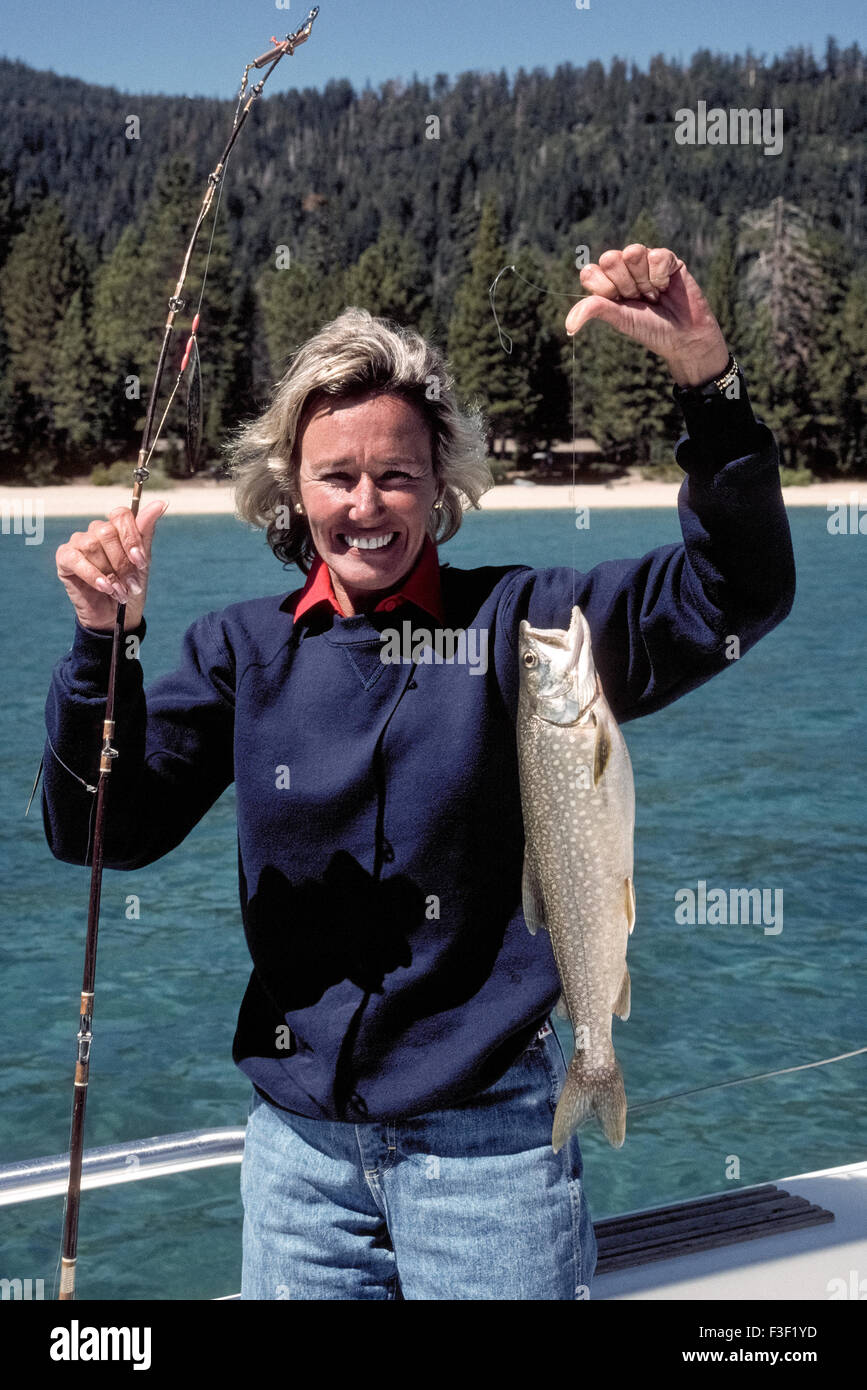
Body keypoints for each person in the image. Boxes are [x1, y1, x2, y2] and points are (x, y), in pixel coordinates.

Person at [43, 245, 795, 1300]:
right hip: (299, 1165)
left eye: (396, 475)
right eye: (336, 477)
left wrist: (706, 383)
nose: (368, 504)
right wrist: (101, 646)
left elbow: (737, 593)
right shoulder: (238, 651)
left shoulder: (532, 625)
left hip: (492, 1152)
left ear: (441, 485)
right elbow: (101, 832)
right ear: (291, 488)